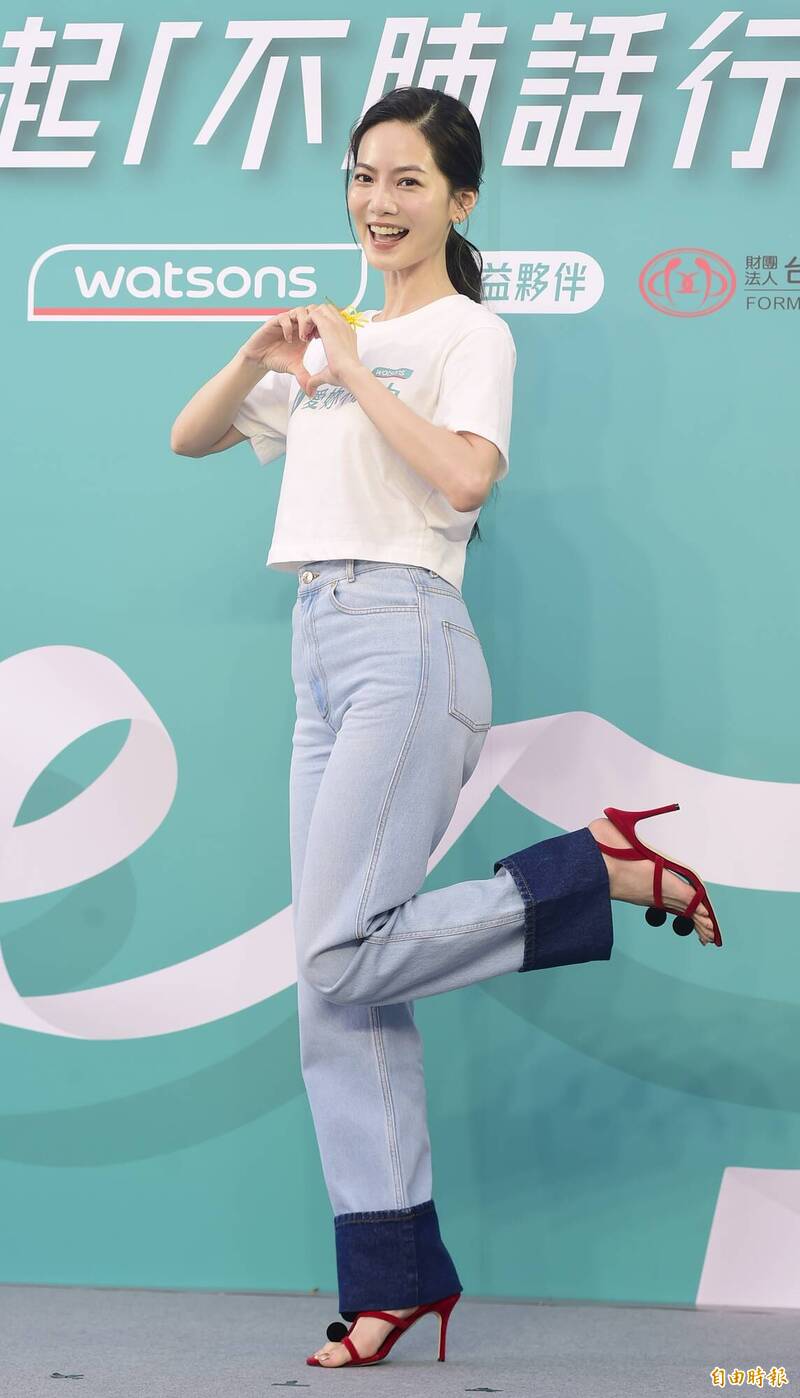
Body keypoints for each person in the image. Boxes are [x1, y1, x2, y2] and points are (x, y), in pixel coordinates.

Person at [171, 85, 721, 1371]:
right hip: (318, 649)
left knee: (337, 957)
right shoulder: (328, 341)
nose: (378, 202)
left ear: (459, 200)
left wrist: (355, 369)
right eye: (363, 176)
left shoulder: (470, 334)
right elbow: (189, 439)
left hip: (405, 638)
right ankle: (393, 1284)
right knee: (336, 995)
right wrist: (261, 359)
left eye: (408, 180)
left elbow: (467, 479)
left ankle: (592, 871)